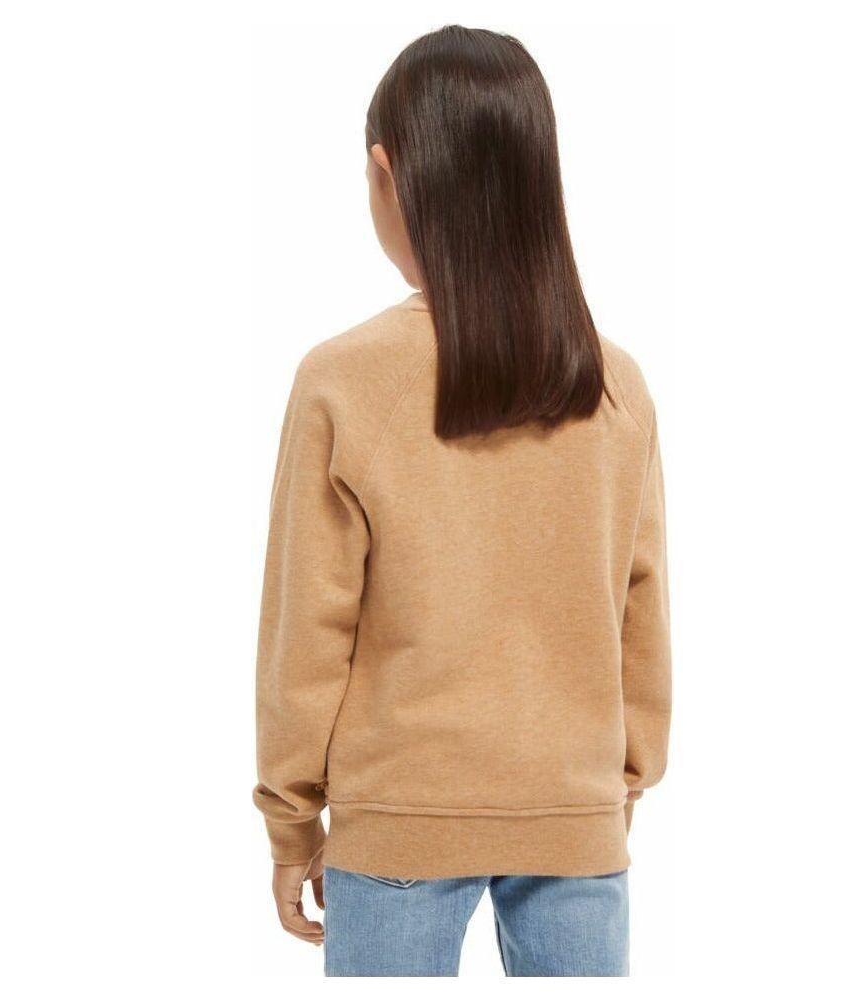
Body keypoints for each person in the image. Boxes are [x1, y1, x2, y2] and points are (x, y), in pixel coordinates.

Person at [253, 25, 671, 977]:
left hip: (398, 816)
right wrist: (615, 789)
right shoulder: (614, 383)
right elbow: (640, 613)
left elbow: (306, 631)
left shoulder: (342, 381)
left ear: (386, 174)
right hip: (575, 817)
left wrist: (290, 819)